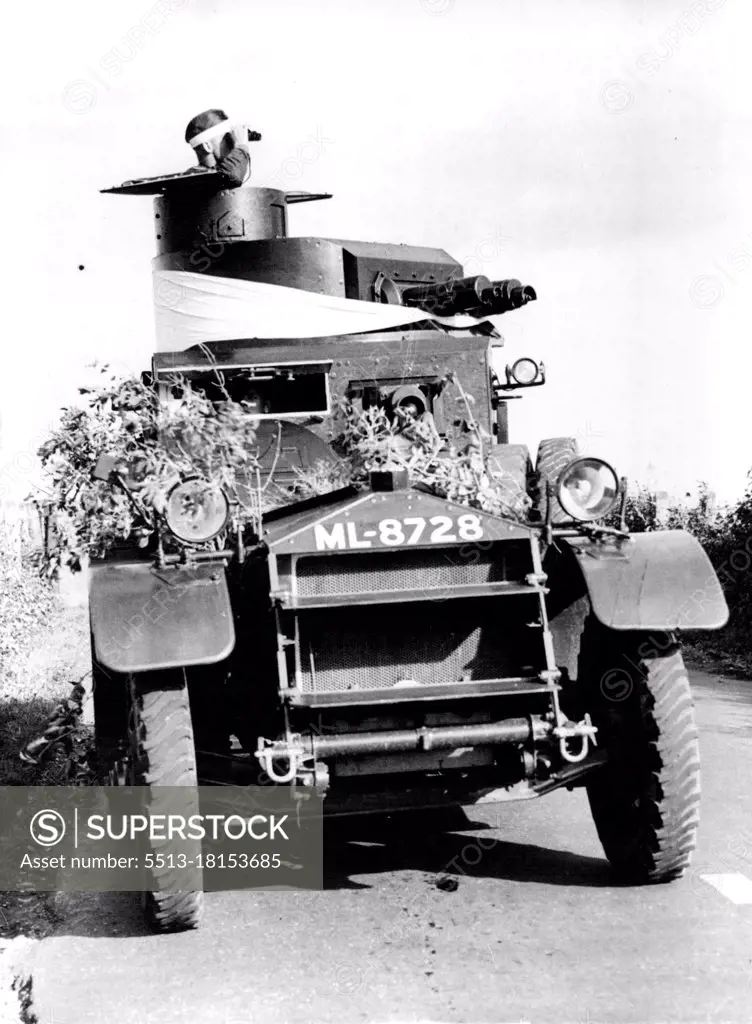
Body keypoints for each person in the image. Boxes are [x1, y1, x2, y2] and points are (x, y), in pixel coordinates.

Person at [184, 108, 253, 188]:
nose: (233, 143)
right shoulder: (192, 180)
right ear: (207, 146)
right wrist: (241, 147)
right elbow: (229, 177)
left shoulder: (218, 178)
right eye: (227, 138)